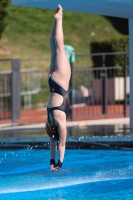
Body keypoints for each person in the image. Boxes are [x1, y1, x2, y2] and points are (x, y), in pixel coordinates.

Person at [45, 4, 71, 170]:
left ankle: (59, 19)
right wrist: (51, 163)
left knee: (60, 48)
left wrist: (60, 163)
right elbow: (53, 144)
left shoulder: (60, 120)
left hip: (60, 84)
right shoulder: (50, 122)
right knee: (54, 48)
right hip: (52, 83)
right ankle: (57, 20)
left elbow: (61, 144)